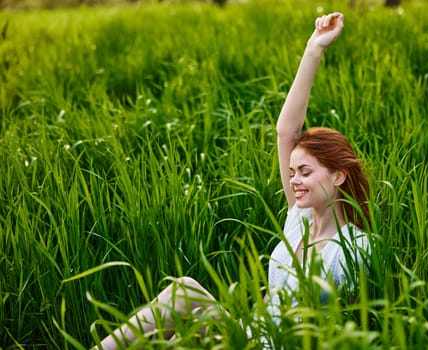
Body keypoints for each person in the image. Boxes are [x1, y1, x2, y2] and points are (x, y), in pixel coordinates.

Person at [95, 12, 370, 349]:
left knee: (183, 297)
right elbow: (286, 132)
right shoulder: (299, 219)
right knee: (171, 324)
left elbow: (342, 327)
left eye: (306, 172)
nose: (295, 181)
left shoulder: (355, 249)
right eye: (292, 172)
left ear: (339, 175)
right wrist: (314, 49)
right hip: (248, 330)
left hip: (269, 344)